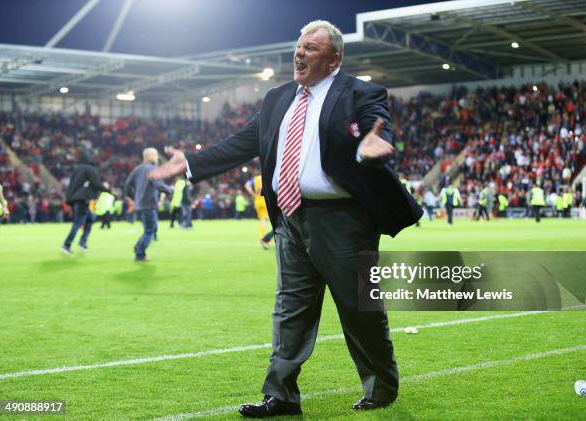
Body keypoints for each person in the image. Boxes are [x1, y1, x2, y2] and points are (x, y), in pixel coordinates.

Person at [149, 20, 422, 418]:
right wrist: (190, 163)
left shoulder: (361, 92)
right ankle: (281, 395)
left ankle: (381, 385)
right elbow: (242, 143)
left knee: (358, 308)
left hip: (344, 221)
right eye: (299, 46)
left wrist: (371, 146)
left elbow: (375, 128)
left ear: (333, 59)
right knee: (289, 310)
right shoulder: (278, 98)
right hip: (291, 218)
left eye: (311, 48)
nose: (299, 53)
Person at [125, 147, 172, 262]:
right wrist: (170, 190)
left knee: (150, 229)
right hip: (149, 205)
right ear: (150, 156)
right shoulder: (153, 169)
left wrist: (135, 198)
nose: (157, 157)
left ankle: (139, 247)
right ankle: (140, 253)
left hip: (139, 206)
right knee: (150, 230)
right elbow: (159, 185)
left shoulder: (137, 169)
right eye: (155, 155)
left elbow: (127, 186)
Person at [61, 149, 110, 254]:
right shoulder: (90, 169)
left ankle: (83, 242)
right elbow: (96, 183)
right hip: (84, 199)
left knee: (90, 218)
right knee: (78, 222)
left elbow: (73, 185)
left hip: (76, 199)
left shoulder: (77, 169)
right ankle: (66, 244)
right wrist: (107, 190)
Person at [245, 173, 275, 248]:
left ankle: (263, 237)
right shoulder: (268, 176)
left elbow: (247, 185)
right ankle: (265, 239)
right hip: (265, 200)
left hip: (257, 201)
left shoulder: (255, 179)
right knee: (269, 220)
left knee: (262, 220)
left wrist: (253, 194)